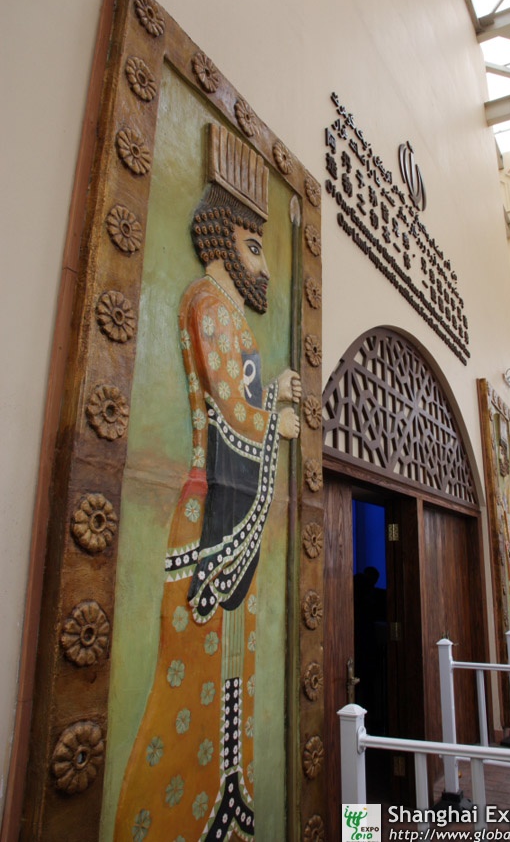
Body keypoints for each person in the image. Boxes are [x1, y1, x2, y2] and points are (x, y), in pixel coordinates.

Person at [115, 124, 301, 841]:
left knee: (231, 676)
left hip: (231, 515)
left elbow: (243, 406)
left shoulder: (229, 316)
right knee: (191, 681)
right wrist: (274, 410)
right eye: (255, 247)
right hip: (208, 519)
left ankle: (229, 803)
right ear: (222, 241)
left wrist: (272, 403)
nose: (264, 267)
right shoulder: (208, 305)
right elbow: (230, 412)